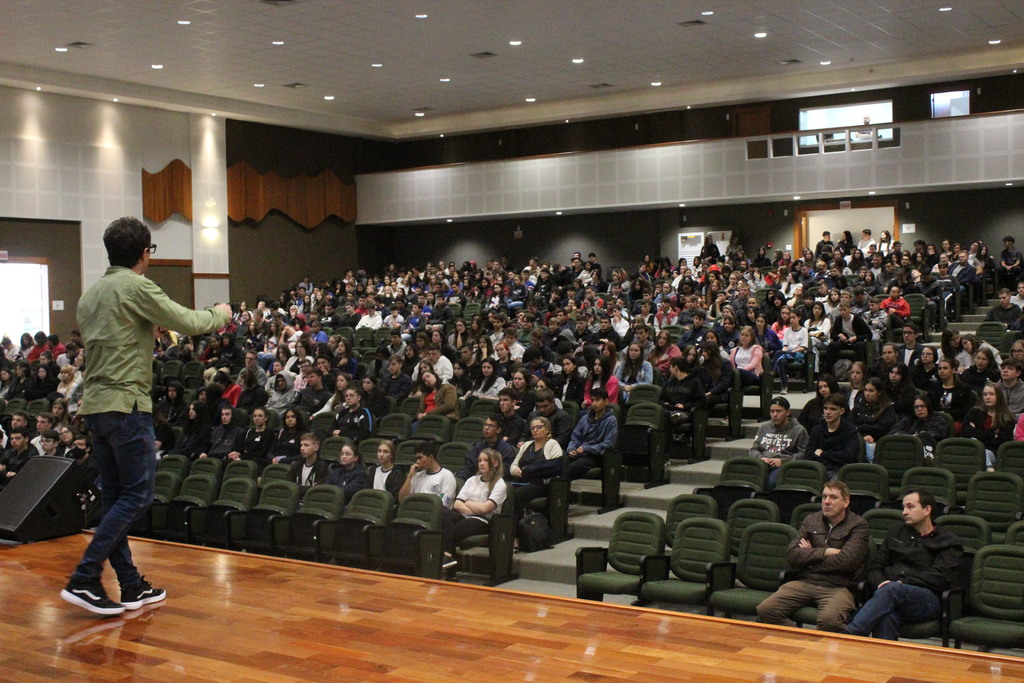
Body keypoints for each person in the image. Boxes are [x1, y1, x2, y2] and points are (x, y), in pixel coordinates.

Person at [61, 217, 231, 616]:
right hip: (127, 406)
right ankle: (85, 577)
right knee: (136, 496)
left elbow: (115, 336)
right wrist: (220, 312)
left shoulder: (90, 295)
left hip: (96, 406)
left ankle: (131, 585)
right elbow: (189, 322)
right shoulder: (135, 286)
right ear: (144, 253)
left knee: (116, 498)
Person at [845, 489, 963, 641]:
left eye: (910, 507)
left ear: (927, 510)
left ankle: (850, 636)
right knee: (886, 614)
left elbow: (939, 576)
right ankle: (886, 662)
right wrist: (881, 583)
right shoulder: (896, 533)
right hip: (889, 594)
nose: (904, 512)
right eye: (903, 507)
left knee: (893, 590)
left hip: (926, 600)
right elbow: (875, 568)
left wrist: (901, 584)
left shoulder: (947, 540)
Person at [757, 480, 869, 632]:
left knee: (829, 621)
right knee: (766, 609)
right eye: (824, 497)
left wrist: (809, 556)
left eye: (833, 497)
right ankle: (802, 643)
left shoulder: (858, 525)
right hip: (806, 581)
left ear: (846, 501)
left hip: (837, 586)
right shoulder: (811, 520)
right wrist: (825, 552)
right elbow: (792, 555)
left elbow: (846, 562)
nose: (827, 502)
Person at [441, 448, 508, 569]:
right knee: (443, 514)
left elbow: (485, 509)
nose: (481, 463)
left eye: (486, 460)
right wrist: (475, 507)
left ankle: (449, 559)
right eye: (479, 460)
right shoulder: (472, 480)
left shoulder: (500, 484)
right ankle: (448, 556)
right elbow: (456, 504)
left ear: (495, 463)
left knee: (450, 530)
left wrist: (468, 502)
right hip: (464, 515)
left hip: (483, 521)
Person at [508, 416, 564, 518]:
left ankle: (518, 522)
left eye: (539, 427)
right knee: (504, 490)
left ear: (547, 429)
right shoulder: (526, 445)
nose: (535, 430)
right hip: (520, 480)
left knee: (516, 495)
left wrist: (529, 470)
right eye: (532, 428)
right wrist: (514, 470)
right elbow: (514, 463)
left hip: (541, 484)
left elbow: (556, 466)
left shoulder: (552, 444)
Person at [748, 397, 809, 488]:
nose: (774, 415)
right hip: (763, 463)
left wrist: (782, 461)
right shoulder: (764, 427)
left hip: (784, 466)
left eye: (778, 411)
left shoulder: (799, 430)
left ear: (788, 412)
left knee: (770, 482)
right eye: (772, 411)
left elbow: (804, 454)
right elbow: (754, 449)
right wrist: (760, 458)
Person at [565, 387, 618, 481]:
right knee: (560, 462)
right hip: (580, 453)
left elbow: (609, 444)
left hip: (596, 456)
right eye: (592, 400)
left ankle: (561, 491)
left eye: (598, 400)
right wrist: (571, 450)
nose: (594, 403)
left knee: (573, 467)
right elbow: (575, 438)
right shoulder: (584, 419)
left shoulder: (611, 420)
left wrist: (586, 449)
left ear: (606, 401)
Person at [961, 383, 1016, 470]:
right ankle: (989, 468)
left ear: (999, 396)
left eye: (991, 394)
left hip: (993, 453)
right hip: (972, 450)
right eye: (985, 394)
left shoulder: (1006, 418)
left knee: (979, 447)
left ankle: (989, 467)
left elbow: (1002, 442)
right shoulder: (974, 412)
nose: (987, 397)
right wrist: (991, 435)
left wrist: (976, 433)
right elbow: (965, 431)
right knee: (974, 442)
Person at [805, 394, 861, 478]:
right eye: (825, 408)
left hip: (839, 471)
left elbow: (847, 455)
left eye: (832, 409)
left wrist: (823, 454)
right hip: (818, 469)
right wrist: (832, 456)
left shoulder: (850, 431)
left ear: (841, 411)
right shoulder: (817, 429)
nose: (827, 412)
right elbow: (809, 453)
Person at [456, 414, 516, 481]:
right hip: (476, 481)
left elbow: (504, 472)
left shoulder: (506, 450)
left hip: (495, 483)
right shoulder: (478, 446)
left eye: (491, 426)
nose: (486, 428)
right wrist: (459, 478)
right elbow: (469, 467)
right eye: (485, 425)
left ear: (498, 430)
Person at [399, 442, 457, 509]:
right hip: (414, 511)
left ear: (431, 457)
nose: (417, 462)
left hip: (434, 514)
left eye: (420, 458)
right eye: (416, 459)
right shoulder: (417, 476)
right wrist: (409, 477)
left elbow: (444, 504)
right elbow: (402, 500)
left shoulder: (446, 475)